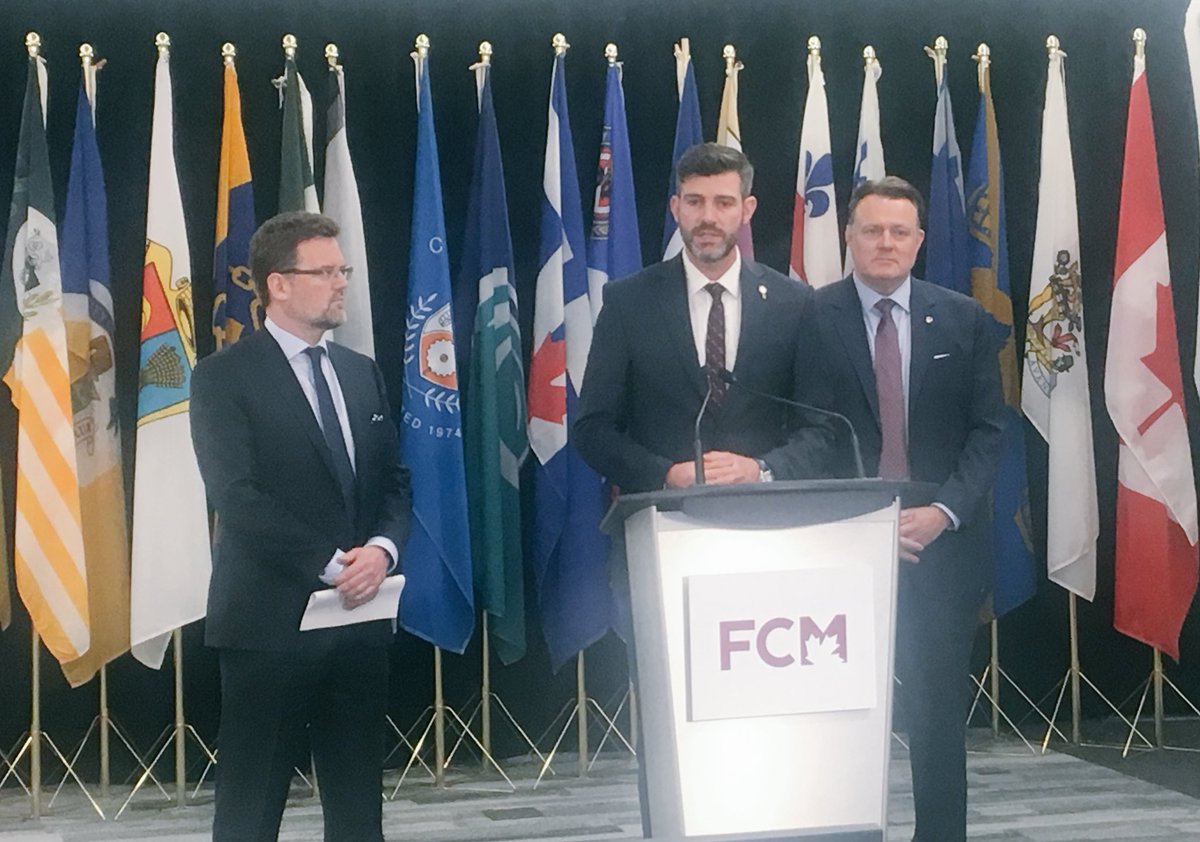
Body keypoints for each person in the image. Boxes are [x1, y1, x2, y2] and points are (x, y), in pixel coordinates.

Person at [190, 211, 411, 842]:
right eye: (325, 272)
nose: (341, 283)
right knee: (250, 813)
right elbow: (237, 497)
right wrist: (335, 565)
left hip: (358, 625)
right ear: (278, 285)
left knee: (358, 812)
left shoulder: (360, 372)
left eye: (343, 270)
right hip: (268, 627)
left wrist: (381, 551)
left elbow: (394, 481)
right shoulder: (223, 377)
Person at [814, 176, 1005, 842]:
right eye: (872, 229)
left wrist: (944, 511)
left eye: (899, 231)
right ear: (849, 236)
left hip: (938, 548)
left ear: (920, 241)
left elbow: (988, 432)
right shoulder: (812, 317)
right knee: (837, 711)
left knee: (936, 715)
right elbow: (803, 435)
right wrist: (860, 523)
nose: (886, 242)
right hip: (841, 546)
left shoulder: (964, 319)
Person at [574, 142, 830, 492]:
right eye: (695, 202)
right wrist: (665, 475)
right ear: (676, 208)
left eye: (723, 203)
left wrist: (761, 470)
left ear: (747, 210)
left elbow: (823, 428)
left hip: (764, 513)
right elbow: (592, 429)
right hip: (662, 511)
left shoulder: (794, 303)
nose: (708, 217)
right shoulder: (628, 302)